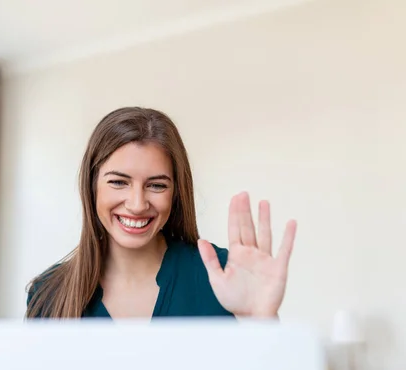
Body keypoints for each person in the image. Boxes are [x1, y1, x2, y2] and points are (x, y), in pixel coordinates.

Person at [26, 107, 297, 319]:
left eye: (156, 185)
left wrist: (260, 319)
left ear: (176, 192)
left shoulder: (225, 276)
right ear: (91, 186)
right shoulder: (48, 294)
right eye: (119, 182)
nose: (137, 203)